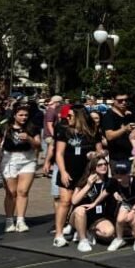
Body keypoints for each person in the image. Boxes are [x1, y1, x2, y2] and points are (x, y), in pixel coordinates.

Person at [52, 106, 103, 248]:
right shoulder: (64, 131)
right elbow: (59, 154)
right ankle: (59, 234)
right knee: (65, 201)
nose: (67, 119)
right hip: (68, 171)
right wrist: (62, 172)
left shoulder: (92, 132)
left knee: (83, 201)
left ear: (79, 117)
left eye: (70, 116)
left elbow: (100, 152)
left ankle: (82, 229)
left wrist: (95, 155)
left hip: (86, 172)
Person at [0, 104, 40, 232]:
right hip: (9, 159)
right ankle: (9, 220)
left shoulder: (32, 128)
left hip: (28, 159)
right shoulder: (5, 128)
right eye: (21, 115)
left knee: (23, 191)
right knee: (11, 193)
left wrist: (29, 138)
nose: (24, 117)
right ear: (14, 115)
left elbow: (38, 145)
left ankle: (21, 220)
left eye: (26, 115)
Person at [107, 156, 135, 251]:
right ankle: (119, 239)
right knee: (120, 220)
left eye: (122, 173)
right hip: (128, 202)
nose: (119, 176)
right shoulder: (115, 181)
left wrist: (134, 211)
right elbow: (111, 190)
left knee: (132, 219)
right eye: (117, 173)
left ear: (128, 174)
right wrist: (115, 193)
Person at [69, 156, 115, 252]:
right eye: (100, 165)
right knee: (80, 210)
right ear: (94, 167)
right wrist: (88, 185)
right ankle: (83, 240)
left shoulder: (109, 182)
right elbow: (74, 201)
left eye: (105, 164)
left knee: (109, 232)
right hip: (80, 215)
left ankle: (89, 231)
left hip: (98, 218)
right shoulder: (84, 181)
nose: (104, 167)